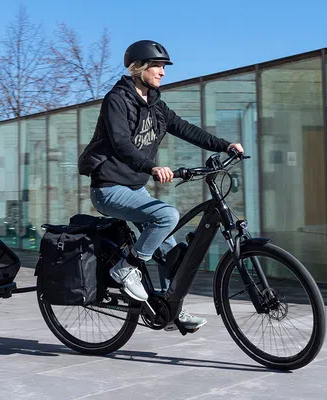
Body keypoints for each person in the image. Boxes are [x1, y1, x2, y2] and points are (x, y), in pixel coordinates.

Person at [78, 40, 244, 332]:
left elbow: (185, 129)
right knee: (167, 216)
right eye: (157, 66)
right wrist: (152, 166)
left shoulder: (156, 105)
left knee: (172, 251)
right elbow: (121, 143)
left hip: (135, 189)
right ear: (138, 68)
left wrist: (224, 145)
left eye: (163, 67)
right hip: (108, 189)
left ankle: (170, 309)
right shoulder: (117, 100)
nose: (162, 72)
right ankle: (125, 267)